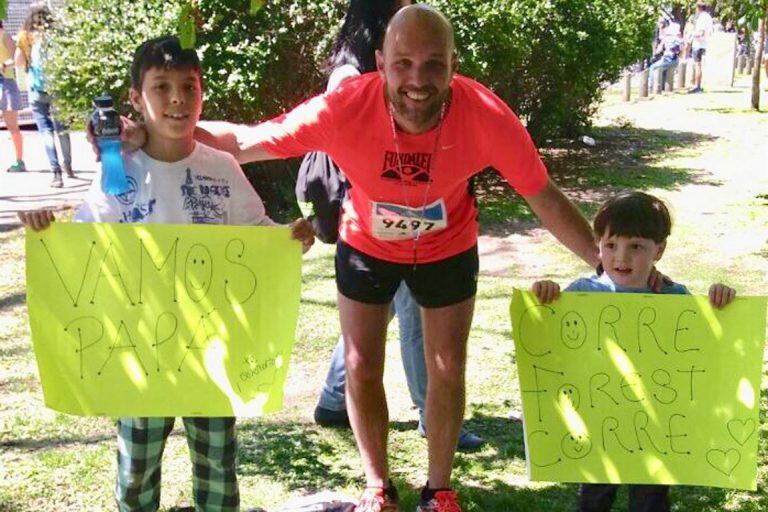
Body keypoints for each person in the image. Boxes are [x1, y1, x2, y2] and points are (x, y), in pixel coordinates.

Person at [19, 35, 315, 512]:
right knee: (136, 469)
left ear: (201, 94)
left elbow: (259, 238)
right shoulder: (119, 173)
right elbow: (84, 247)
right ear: (136, 99)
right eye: (161, 87)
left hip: (213, 354)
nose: (177, 99)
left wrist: (290, 237)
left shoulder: (222, 169)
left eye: (188, 86)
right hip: (140, 360)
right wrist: (47, 231)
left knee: (217, 464)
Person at [311, 0, 484, 452]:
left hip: (426, 232)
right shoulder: (351, 79)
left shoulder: (394, 69)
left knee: (383, 325)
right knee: (391, 330)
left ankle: (338, 399)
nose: (415, 74)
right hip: (373, 231)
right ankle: (422, 415)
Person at [530, 191, 736, 512]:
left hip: (656, 426)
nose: (621, 258)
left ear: (659, 250)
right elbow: (549, 340)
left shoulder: (675, 299)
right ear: (598, 244)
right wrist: (547, 297)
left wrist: (721, 304)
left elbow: (708, 346)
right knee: (595, 497)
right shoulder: (582, 294)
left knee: (650, 500)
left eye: (635, 247)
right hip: (598, 421)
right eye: (610, 246)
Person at [15, 2, 73, 188]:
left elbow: (18, 61)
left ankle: (56, 173)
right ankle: (68, 166)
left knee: (46, 131)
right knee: (62, 129)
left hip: (36, 90)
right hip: (58, 88)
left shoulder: (25, 37)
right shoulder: (56, 34)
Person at [0, 20, 26, 173]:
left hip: (6, 82)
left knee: (12, 126)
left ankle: (19, 160)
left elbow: (16, 59)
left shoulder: (5, 36)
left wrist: (2, 66)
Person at [648, 20, 682, 93]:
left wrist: (654, 55)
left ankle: (650, 87)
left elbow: (658, 50)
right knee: (663, 69)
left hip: (667, 59)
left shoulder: (667, 38)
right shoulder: (679, 39)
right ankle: (663, 87)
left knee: (652, 67)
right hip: (676, 61)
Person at [689, 1, 713, 94]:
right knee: (698, 65)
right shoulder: (707, 16)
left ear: (698, 8)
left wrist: (691, 34)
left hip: (699, 44)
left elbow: (701, 33)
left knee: (697, 65)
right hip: (704, 43)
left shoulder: (702, 17)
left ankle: (697, 86)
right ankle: (696, 85)